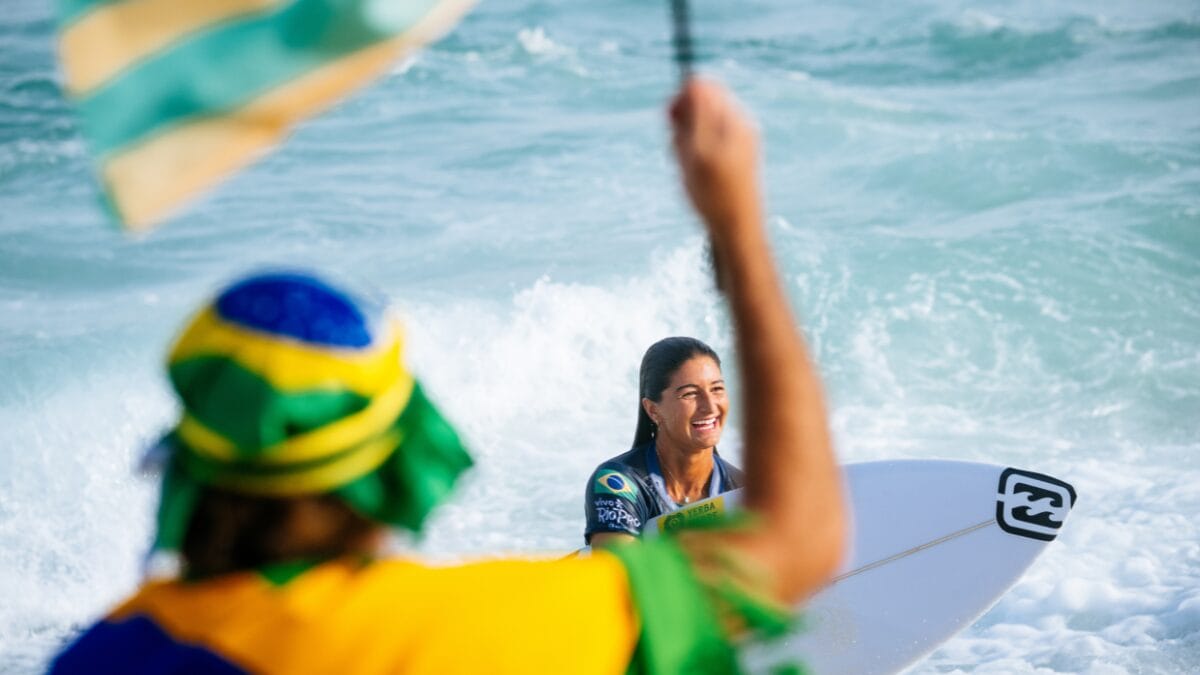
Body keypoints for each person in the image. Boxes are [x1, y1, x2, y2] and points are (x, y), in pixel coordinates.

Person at [49, 79, 845, 675]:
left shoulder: (101, 656)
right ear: (395, 460)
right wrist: (735, 222)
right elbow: (796, 540)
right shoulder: (462, 628)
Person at [585, 337, 744, 546]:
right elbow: (620, 570)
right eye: (690, 394)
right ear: (653, 410)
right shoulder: (617, 484)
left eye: (717, 389)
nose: (710, 406)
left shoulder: (742, 488)